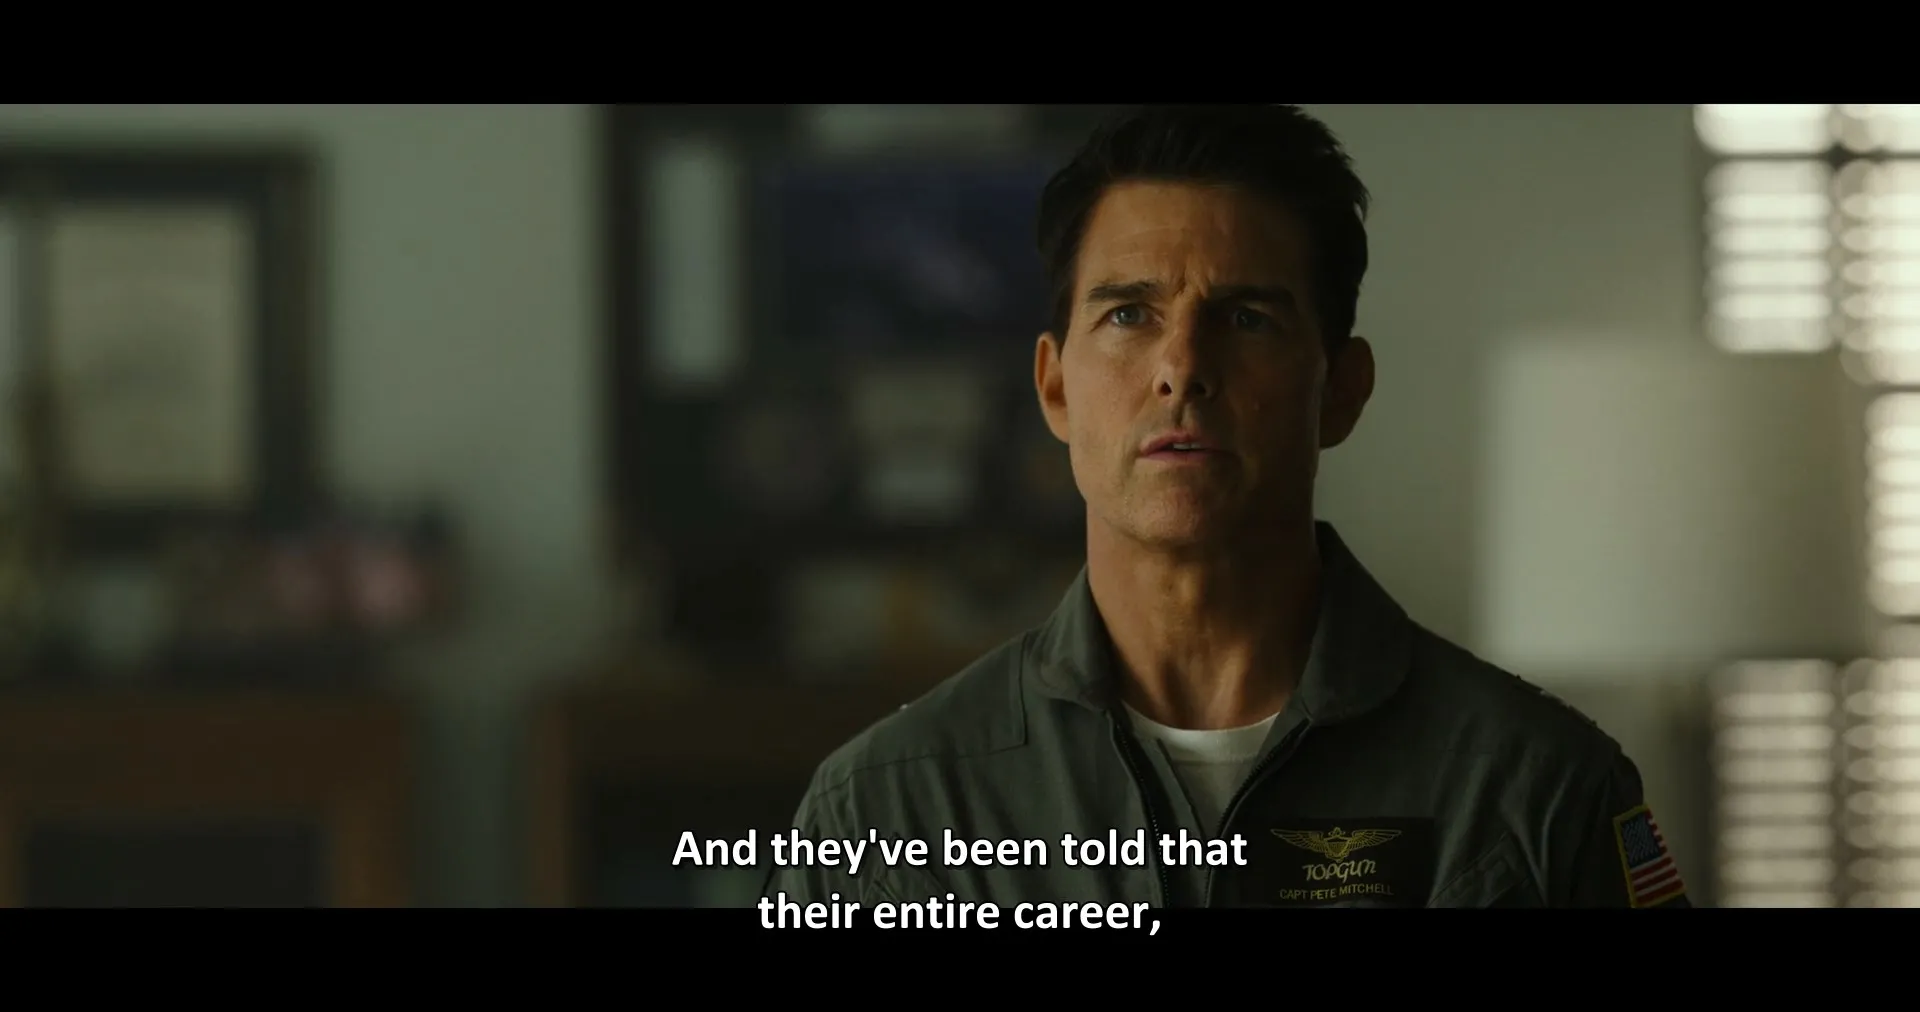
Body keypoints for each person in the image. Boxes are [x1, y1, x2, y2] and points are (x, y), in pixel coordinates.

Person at [765, 104, 1689, 910]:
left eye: (1247, 318)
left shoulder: (1539, 791)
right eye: (1129, 315)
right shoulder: (889, 812)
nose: (1182, 368)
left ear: (1342, 390)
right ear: (1055, 388)